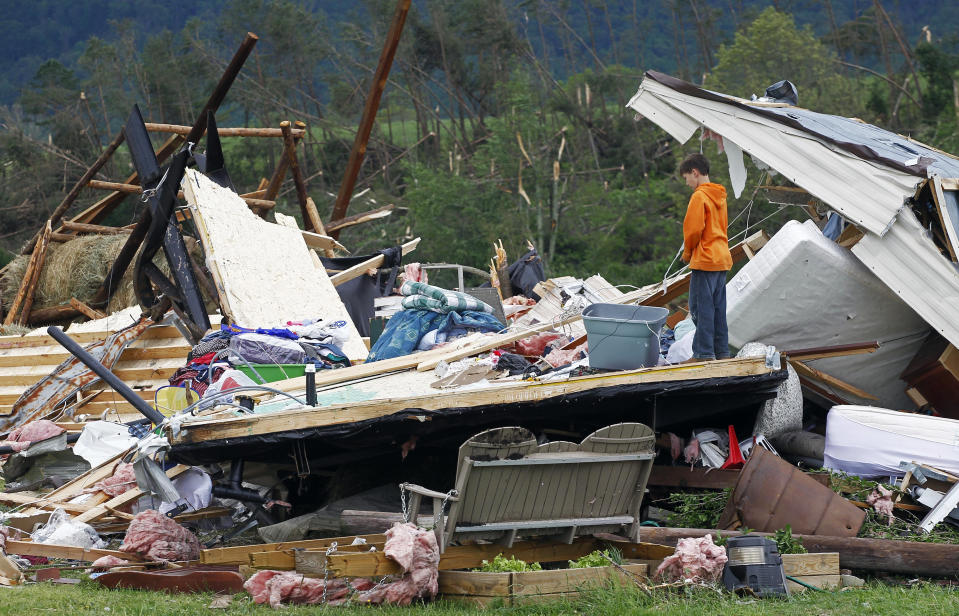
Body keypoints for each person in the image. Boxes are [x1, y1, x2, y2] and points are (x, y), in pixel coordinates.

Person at [679, 153, 732, 361]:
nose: (687, 183)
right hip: (722, 258)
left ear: (695, 172)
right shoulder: (720, 196)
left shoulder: (699, 196)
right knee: (718, 310)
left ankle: (703, 354)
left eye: (686, 178)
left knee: (700, 309)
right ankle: (722, 352)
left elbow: (693, 230)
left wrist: (687, 253)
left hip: (706, 260)